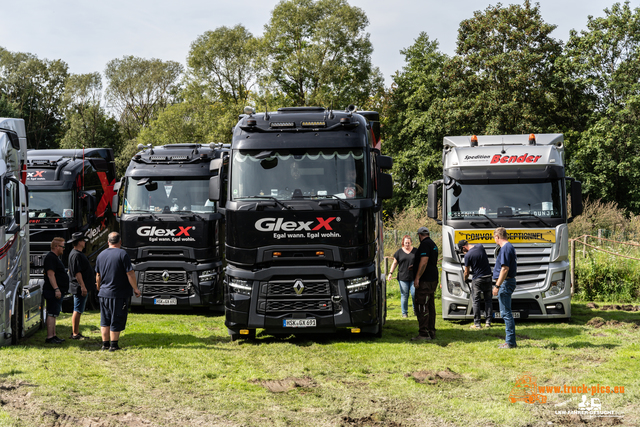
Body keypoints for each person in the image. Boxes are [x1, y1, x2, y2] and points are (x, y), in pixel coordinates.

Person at [95, 232, 141, 351]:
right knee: (117, 317)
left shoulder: (101, 255)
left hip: (104, 293)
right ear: (120, 242)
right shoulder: (122, 254)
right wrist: (135, 288)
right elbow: (130, 273)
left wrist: (99, 287)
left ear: (108, 241)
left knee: (105, 319)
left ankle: (105, 344)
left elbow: (98, 275)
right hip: (118, 293)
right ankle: (114, 345)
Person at [458, 239, 493, 329]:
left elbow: (466, 272)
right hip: (488, 277)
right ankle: (488, 322)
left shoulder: (468, 255)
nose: (463, 252)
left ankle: (477, 324)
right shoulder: (480, 247)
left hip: (478, 279)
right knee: (488, 300)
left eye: (462, 250)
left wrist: (465, 279)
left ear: (463, 247)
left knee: (476, 301)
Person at [412, 227, 439, 341]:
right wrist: (414, 267)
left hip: (425, 280)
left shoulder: (424, 244)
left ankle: (423, 334)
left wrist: (417, 277)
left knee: (422, 305)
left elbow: (424, 261)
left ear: (419, 235)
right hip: (433, 278)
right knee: (430, 306)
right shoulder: (433, 244)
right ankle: (431, 331)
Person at [492, 227, 518, 349]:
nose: (494, 241)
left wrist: (497, 285)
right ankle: (509, 341)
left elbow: (505, 269)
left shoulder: (505, 248)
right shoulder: (508, 247)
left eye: (494, 238)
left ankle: (510, 342)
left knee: (506, 313)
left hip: (505, 283)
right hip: (507, 282)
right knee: (506, 312)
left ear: (497, 237)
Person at [67, 232, 95, 339]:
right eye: (83, 240)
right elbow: (77, 273)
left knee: (78, 309)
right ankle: (75, 333)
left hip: (81, 286)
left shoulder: (76, 253)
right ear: (79, 242)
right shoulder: (76, 255)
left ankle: (76, 332)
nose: (84, 242)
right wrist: (83, 286)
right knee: (77, 310)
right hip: (79, 287)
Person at [43, 237, 69, 344]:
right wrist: (56, 289)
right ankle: (50, 337)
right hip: (52, 291)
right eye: (62, 246)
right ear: (56, 246)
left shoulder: (55, 258)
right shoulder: (50, 258)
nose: (63, 249)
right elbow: (50, 274)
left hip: (56, 290)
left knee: (54, 313)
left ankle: (53, 335)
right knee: (52, 313)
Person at [387, 235, 417, 318]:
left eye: (408, 243)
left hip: (414, 276)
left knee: (414, 294)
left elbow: (420, 262)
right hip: (403, 277)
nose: (407, 244)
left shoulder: (416, 251)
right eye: (405, 243)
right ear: (403, 243)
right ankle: (404, 313)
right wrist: (390, 273)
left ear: (411, 242)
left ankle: (416, 310)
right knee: (404, 294)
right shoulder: (399, 252)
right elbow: (394, 263)